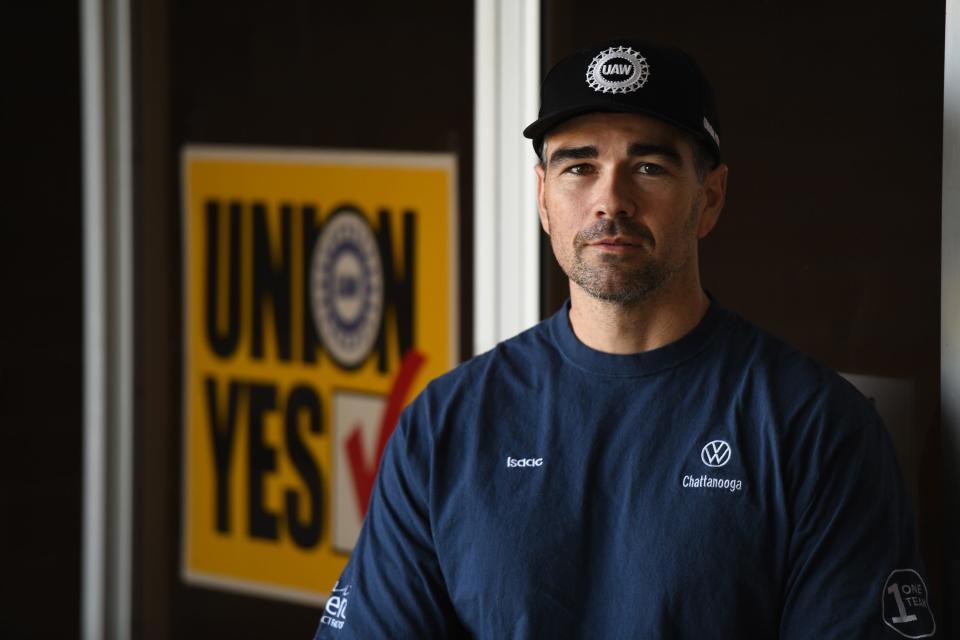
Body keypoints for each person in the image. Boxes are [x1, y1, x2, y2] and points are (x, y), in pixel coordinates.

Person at [313, 39, 935, 639]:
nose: (610, 199)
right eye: (579, 166)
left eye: (648, 166)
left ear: (710, 196)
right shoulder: (447, 424)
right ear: (543, 197)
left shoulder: (815, 428)